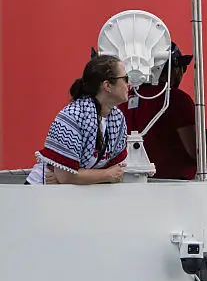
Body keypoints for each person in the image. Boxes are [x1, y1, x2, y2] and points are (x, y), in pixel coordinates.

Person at [27, 55, 130, 185]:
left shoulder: (118, 119)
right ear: (107, 85)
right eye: (125, 79)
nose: (129, 83)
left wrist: (79, 176)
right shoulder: (71, 117)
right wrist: (105, 174)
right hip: (41, 192)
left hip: (78, 194)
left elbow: (117, 170)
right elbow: (67, 177)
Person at [121, 42, 207, 180]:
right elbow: (196, 151)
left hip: (133, 182)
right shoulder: (176, 100)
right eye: (181, 68)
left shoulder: (125, 98)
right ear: (173, 69)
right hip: (174, 187)